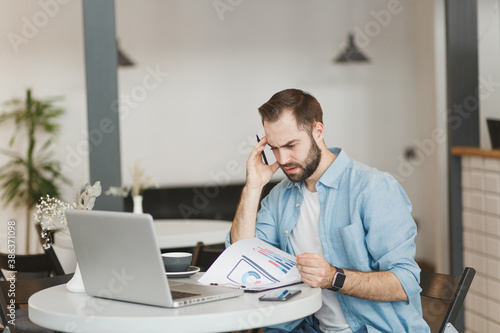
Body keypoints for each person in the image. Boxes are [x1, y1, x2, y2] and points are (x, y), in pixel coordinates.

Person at [227, 89, 430, 333]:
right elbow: (242, 258)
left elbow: (404, 282)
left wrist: (334, 278)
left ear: (318, 131)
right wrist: (253, 186)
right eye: (274, 148)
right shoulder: (281, 196)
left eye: (291, 145)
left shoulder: (373, 188)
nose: (282, 159)